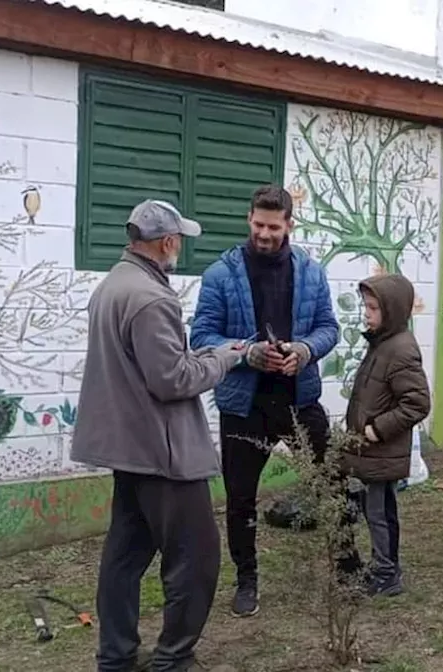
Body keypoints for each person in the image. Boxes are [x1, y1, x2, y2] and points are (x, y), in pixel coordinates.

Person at [71, 200, 245, 672]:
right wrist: (225, 357)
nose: (179, 248)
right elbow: (172, 380)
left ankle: (116, 657)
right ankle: (173, 659)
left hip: (127, 449)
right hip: (162, 452)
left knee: (125, 557)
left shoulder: (112, 285)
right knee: (196, 559)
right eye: (179, 240)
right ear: (167, 242)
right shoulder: (152, 298)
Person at [188, 185, 340, 619]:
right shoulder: (220, 274)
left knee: (330, 480)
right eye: (258, 225)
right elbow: (201, 338)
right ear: (248, 220)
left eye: (273, 227)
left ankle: (346, 567)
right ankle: (246, 579)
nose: (264, 234)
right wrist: (247, 353)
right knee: (240, 498)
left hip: (299, 397)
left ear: (290, 224)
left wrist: (305, 350)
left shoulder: (311, 272)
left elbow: (329, 327)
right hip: (243, 404)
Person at [341, 273, 432, 597]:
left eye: (373, 308)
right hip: (372, 452)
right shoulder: (382, 343)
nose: (367, 313)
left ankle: (386, 573)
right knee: (377, 510)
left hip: (382, 450)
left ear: (392, 311)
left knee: (380, 514)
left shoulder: (401, 350)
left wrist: (379, 429)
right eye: (366, 306)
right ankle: (384, 567)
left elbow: (418, 403)